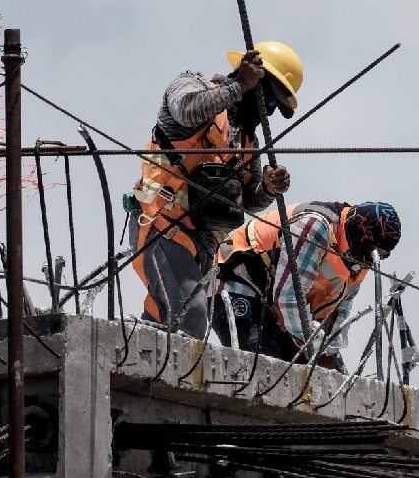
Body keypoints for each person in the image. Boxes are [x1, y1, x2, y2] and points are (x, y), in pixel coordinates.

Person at [129, 41, 303, 338]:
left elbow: (246, 199)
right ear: (254, 78)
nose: (267, 115)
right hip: (161, 224)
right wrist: (238, 87)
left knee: (169, 318)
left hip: (201, 242)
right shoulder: (191, 86)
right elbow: (185, 110)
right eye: (270, 103)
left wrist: (268, 189)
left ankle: (133, 358)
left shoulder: (247, 141)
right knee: (190, 318)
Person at [214, 200, 401, 370]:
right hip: (237, 283)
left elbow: (335, 315)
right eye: (370, 250)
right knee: (264, 370)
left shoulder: (361, 262)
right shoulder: (315, 226)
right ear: (356, 232)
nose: (369, 259)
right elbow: (288, 297)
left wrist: (328, 352)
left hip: (280, 313)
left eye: (380, 255)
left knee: (316, 380)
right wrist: (317, 349)